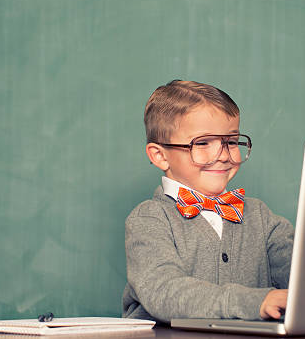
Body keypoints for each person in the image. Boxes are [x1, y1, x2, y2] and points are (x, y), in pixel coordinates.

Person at [122, 80, 294, 323]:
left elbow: (303, 281)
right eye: (202, 143)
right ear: (160, 156)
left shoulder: (261, 217)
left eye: (231, 142)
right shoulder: (150, 219)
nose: (223, 155)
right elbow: (164, 291)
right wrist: (255, 302)